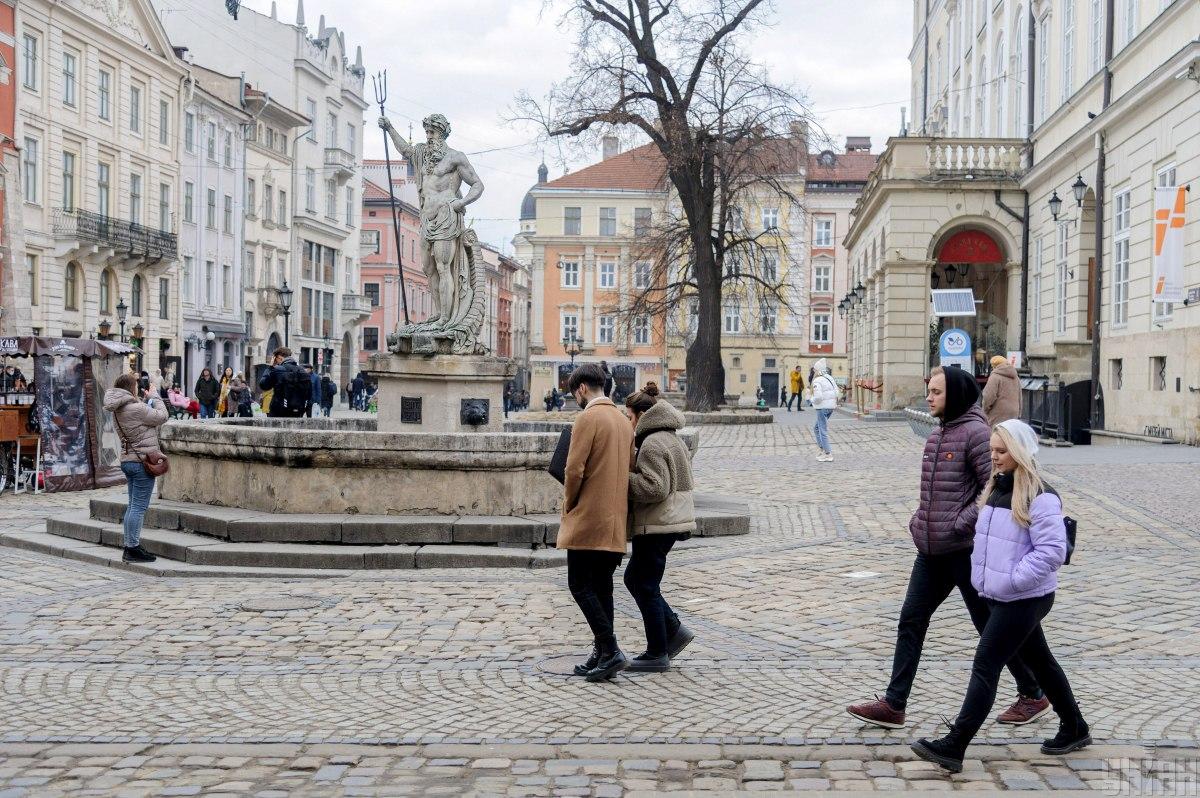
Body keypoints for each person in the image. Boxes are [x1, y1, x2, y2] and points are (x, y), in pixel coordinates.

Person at [847, 366, 1049, 730]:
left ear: (954, 395)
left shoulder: (975, 434)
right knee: (911, 619)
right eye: (929, 390)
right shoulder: (936, 434)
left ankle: (1033, 692)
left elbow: (994, 484)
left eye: (936, 392)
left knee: (989, 624)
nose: (929, 397)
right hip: (930, 549)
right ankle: (894, 704)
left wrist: (961, 522)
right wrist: (920, 518)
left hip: (965, 550)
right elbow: (935, 492)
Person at [911, 420, 1089, 772]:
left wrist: (1011, 580)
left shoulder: (1040, 495)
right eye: (992, 450)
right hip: (1003, 595)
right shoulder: (995, 488)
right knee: (1041, 661)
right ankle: (1075, 726)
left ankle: (955, 744)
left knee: (986, 662)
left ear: (1021, 451)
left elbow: (1052, 551)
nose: (995, 457)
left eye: (1002, 451)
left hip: (1025, 597)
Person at [558, 363, 634, 682]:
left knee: (579, 584)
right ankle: (602, 654)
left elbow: (573, 470)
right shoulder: (622, 420)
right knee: (603, 588)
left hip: (589, 516)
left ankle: (611, 648)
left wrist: (569, 504)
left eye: (574, 393)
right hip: (615, 517)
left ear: (582, 389)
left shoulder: (587, 417)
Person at [622, 382, 697, 673]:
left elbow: (654, 488)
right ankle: (673, 632)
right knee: (637, 579)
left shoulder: (653, 442)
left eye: (629, 417)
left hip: (657, 523)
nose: (629, 422)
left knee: (645, 584)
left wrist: (622, 478)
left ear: (642, 414)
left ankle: (657, 651)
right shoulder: (670, 436)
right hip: (669, 521)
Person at [103, 372, 167, 563]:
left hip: (128, 461)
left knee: (132, 506)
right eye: (136, 385)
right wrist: (155, 396)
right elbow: (163, 416)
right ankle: (132, 547)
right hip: (142, 462)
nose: (138, 388)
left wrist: (145, 401)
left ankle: (130, 546)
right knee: (138, 507)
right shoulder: (136, 408)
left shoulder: (118, 408)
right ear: (130, 388)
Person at [257, 347, 311, 418]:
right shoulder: (303, 371)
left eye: (275, 359)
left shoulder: (277, 370)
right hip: (298, 411)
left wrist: (270, 368)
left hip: (278, 410)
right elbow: (309, 393)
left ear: (279, 358)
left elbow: (263, 385)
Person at [811, 359, 839, 462]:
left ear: (817, 370)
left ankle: (828, 453)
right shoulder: (830, 378)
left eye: (814, 370)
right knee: (816, 428)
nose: (813, 372)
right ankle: (822, 449)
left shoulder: (817, 381)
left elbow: (818, 397)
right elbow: (837, 392)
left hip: (822, 407)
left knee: (822, 430)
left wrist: (811, 399)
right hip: (830, 407)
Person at [982, 355, 1021, 427]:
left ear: (994, 366)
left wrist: (985, 409)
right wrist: (1019, 412)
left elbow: (988, 396)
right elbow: (1020, 396)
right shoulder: (1016, 377)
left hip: (998, 413)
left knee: (997, 435)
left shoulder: (995, 377)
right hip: (1014, 412)